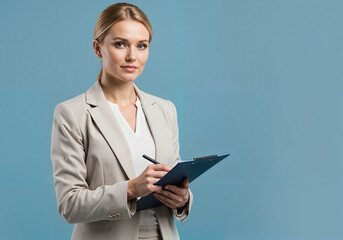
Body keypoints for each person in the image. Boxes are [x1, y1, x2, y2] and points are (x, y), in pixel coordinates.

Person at [50, 3, 193, 240]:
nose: (132, 56)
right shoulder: (72, 113)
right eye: (120, 44)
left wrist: (183, 198)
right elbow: (70, 203)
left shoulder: (165, 110)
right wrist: (130, 189)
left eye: (141, 46)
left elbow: (174, 173)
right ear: (98, 48)